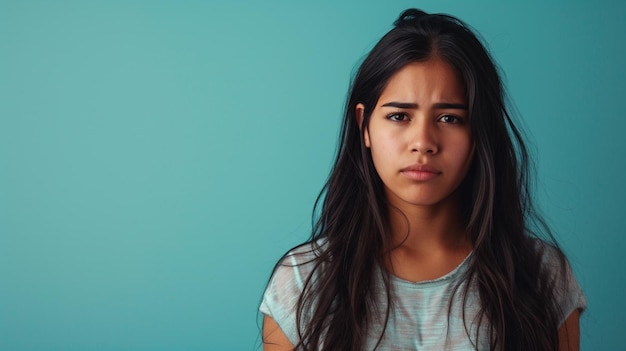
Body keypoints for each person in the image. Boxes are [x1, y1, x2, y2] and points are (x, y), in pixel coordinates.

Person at [259, 8, 586, 351]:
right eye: (399, 116)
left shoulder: (543, 277)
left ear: (479, 132)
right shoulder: (301, 283)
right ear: (364, 126)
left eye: (449, 118)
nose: (423, 142)